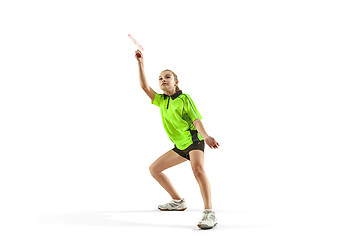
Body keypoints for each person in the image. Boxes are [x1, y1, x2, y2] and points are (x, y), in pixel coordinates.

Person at [135, 49, 220, 229]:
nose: (163, 80)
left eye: (167, 77)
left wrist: (206, 137)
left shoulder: (183, 98)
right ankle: (177, 201)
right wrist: (140, 63)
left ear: (176, 82)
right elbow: (144, 87)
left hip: (194, 141)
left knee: (198, 170)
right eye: (160, 78)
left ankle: (209, 213)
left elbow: (196, 120)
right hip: (180, 145)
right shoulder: (160, 101)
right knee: (154, 169)